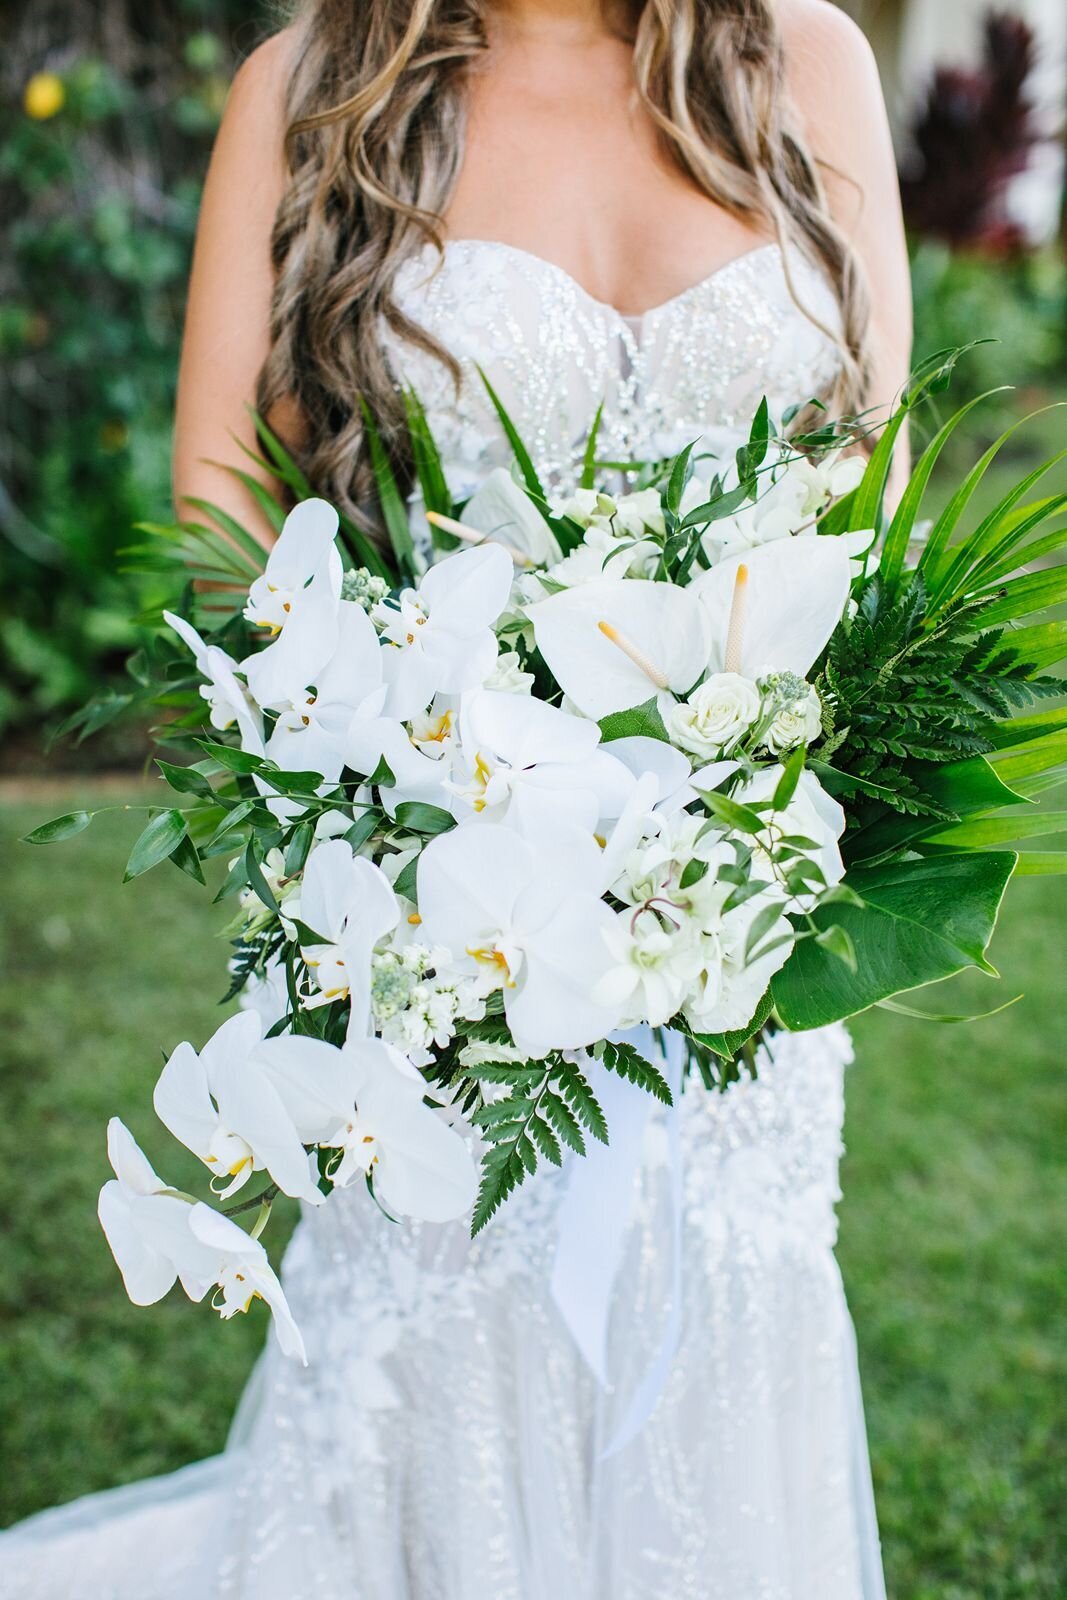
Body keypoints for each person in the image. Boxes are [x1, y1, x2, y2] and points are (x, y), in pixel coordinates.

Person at [0, 1, 911, 1594]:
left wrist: (770, 754)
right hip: (438, 900)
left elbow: (872, 473)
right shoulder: (310, 87)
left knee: (723, 1310)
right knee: (451, 1350)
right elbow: (224, 499)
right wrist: (396, 759)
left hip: (734, 897)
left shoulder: (807, 58)